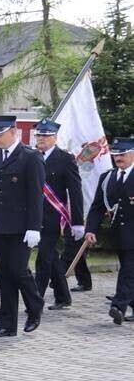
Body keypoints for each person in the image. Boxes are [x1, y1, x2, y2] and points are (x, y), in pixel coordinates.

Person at [0, 115, 45, 337]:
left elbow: (36, 196)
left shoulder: (30, 157)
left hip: (21, 227)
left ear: (13, 132)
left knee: (19, 270)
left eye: (0, 134)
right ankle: (6, 324)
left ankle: (35, 307)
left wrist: (34, 227)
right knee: (5, 275)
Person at [32, 119, 84, 311]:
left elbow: (75, 191)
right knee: (51, 257)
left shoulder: (65, 158)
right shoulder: (32, 156)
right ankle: (63, 296)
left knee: (43, 257)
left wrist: (77, 222)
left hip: (54, 217)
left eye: (45, 135)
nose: (41, 139)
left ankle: (35, 300)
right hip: (34, 216)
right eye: (39, 135)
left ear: (55, 137)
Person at [85, 137, 133, 326]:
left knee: (128, 272)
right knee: (129, 271)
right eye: (115, 155)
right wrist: (91, 229)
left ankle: (118, 306)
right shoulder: (108, 177)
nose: (118, 158)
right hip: (118, 235)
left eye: (122, 154)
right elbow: (97, 206)